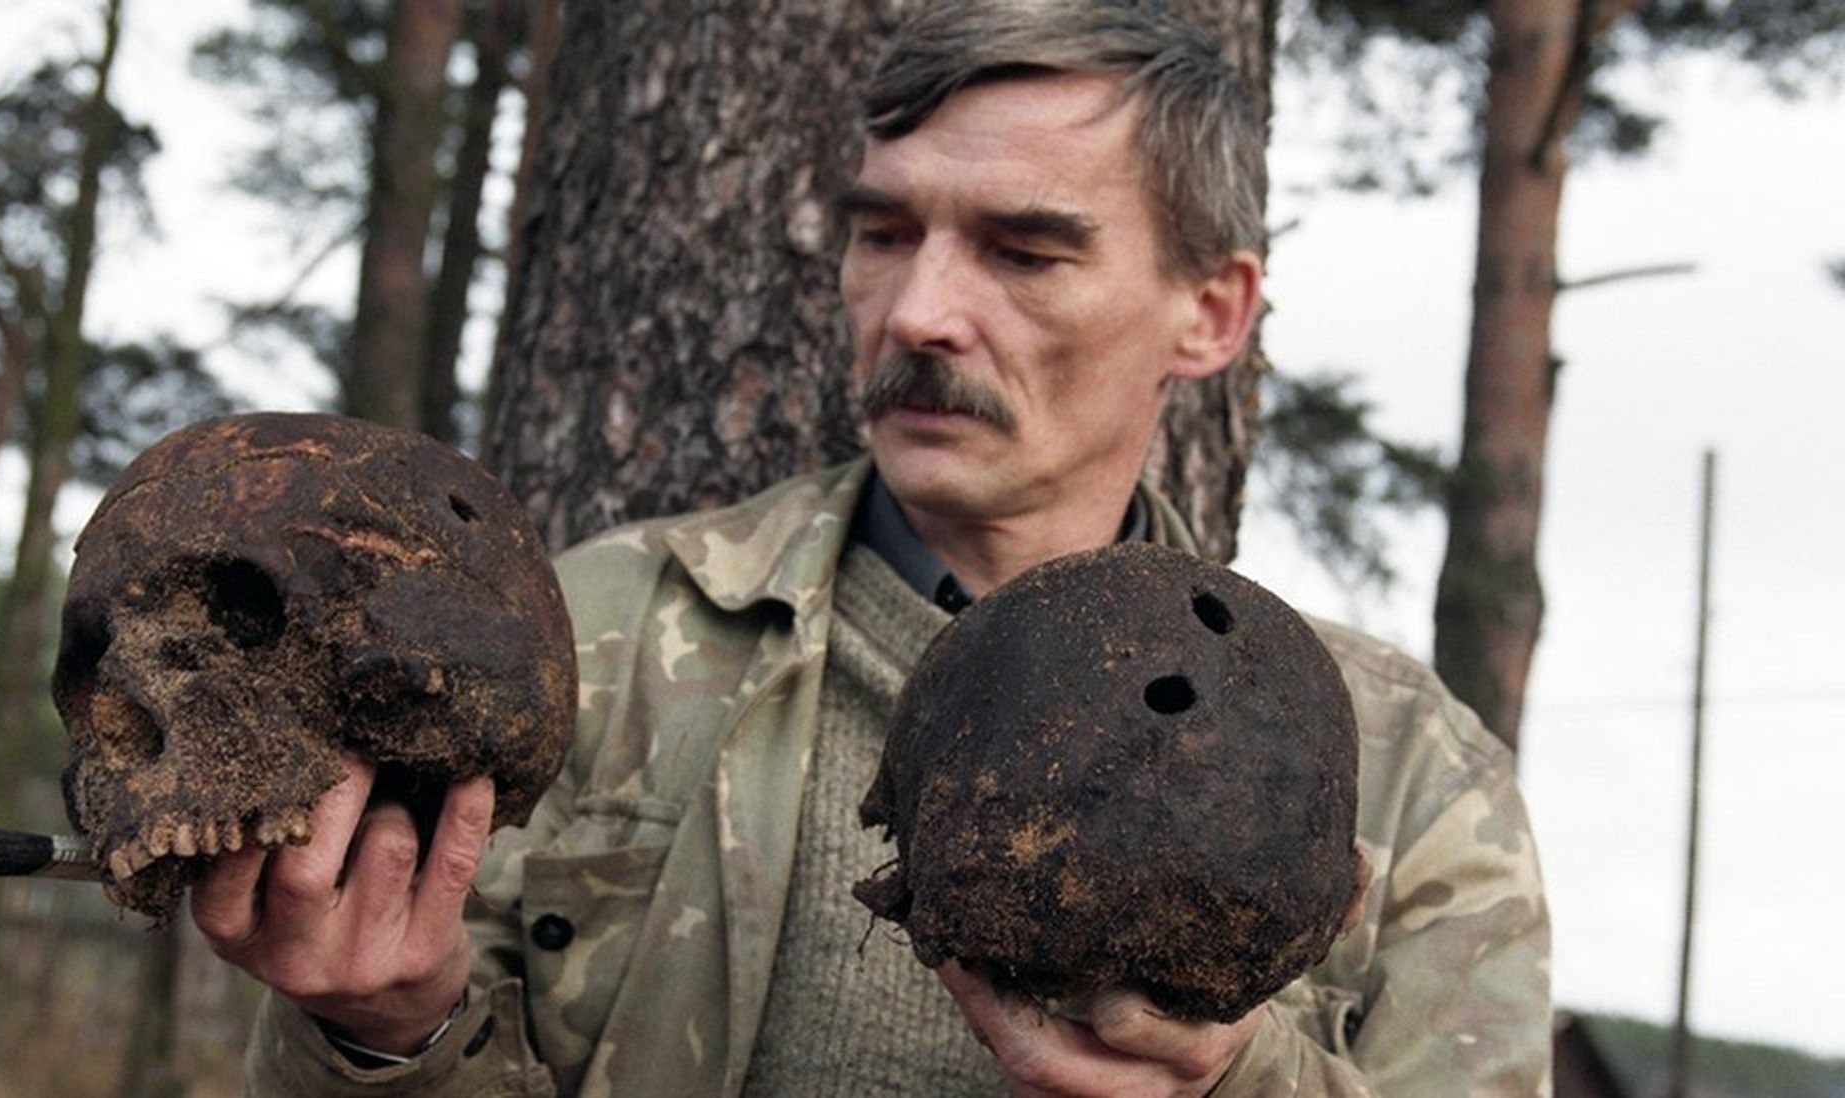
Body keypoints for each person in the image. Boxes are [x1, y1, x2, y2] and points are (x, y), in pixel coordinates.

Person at [192, 2, 1551, 1094]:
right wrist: (386, 1035)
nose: (919, 312)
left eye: (1024, 252)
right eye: (882, 232)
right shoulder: (589, 647)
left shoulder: (1406, 780)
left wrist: (1229, 1080)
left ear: (1211, 311)